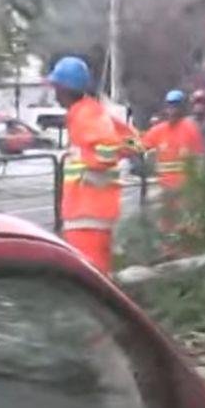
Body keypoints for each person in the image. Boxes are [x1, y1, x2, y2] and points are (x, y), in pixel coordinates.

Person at [48, 56, 139, 274]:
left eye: (56, 88)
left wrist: (91, 160)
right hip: (93, 213)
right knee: (98, 276)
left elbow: (109, 149)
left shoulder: (85, 115)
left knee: (91, 279)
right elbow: (133, 142)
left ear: (65, 88)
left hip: (87, 214)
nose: (55, 94)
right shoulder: (92, 112)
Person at [143, 90, 205, 192]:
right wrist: (123, 140)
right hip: (163, 188)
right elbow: (139, 145)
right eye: (170, 106)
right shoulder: (158, 131)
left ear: (182, 108)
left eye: (176, 106)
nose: (172, 110)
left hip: (185, 189)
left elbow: (199, 159)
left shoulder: (191, 130)